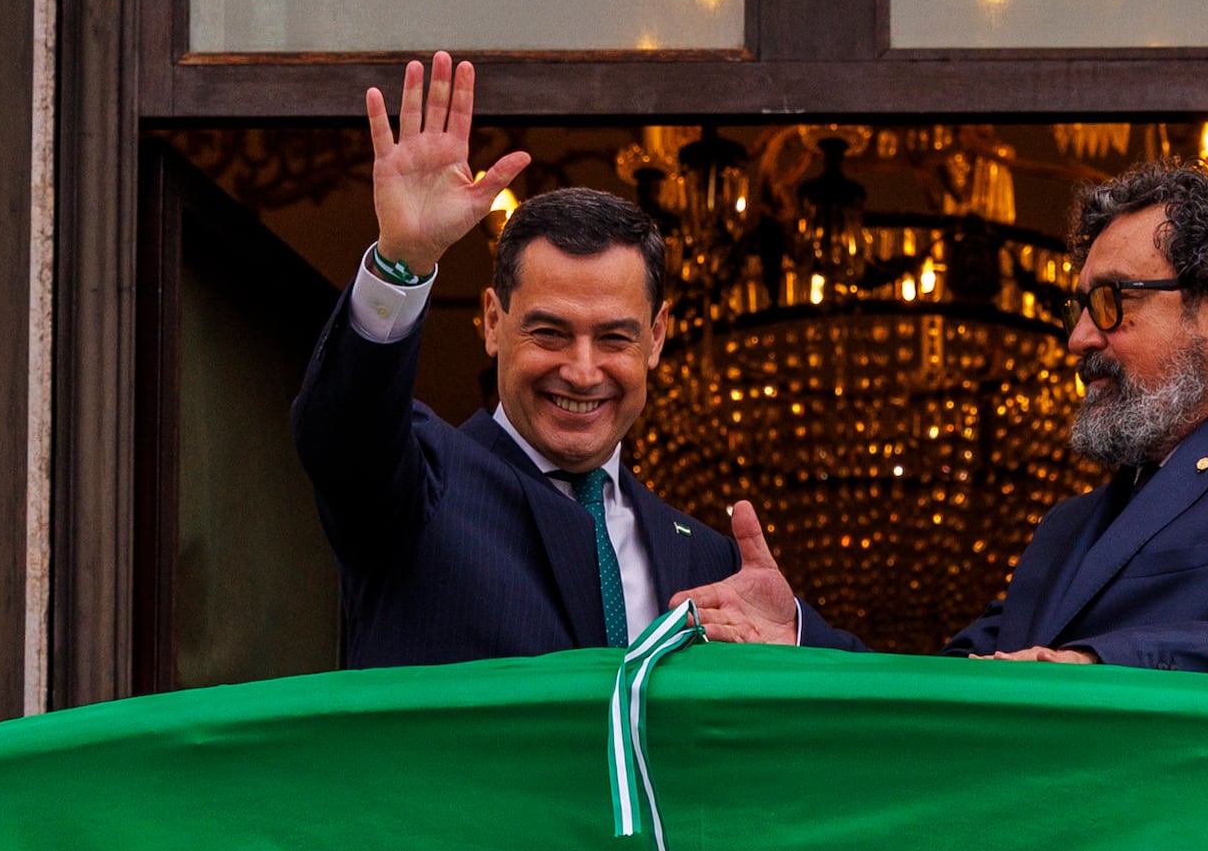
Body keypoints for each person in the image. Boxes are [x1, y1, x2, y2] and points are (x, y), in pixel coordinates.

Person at [692, 161, 1208, 685]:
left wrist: (1098, 665)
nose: (1078, 340)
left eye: (1112, 303)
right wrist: (797, 636)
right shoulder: (1066, 530)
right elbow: (952, 692)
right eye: (1078, 308)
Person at [291, 51, 850, 666]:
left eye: (614, 339)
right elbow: (343, 433)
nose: (583, 372)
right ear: (493, 323)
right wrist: (404, 262)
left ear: (657, 339)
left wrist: (797, 640)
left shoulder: (711, 562)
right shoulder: (417, 483)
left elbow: (874, 713)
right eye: (550, 334)